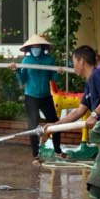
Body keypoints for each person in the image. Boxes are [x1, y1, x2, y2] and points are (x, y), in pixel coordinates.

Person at [41, 45, 100, 156]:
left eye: (74, 62)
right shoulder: (89, 83)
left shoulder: (97, 74)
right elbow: (79, 111)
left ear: (81, 61)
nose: (73, 67)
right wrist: (55, 125)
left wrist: (95, 114)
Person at [11, 33, 63, 164]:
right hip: (31, 96)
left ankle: (58, 150)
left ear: (42, 47)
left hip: (46, 96)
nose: (36, 48)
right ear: (29, 48)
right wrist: (16, 71)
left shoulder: (49, 60)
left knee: (55, 122)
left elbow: (54, 78)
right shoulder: (26, 61)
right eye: (33, 47)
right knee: (32, 125)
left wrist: (58, 72)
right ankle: (35, 155)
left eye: (38, 46)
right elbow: (23, 80)